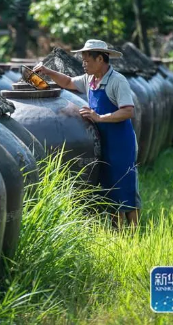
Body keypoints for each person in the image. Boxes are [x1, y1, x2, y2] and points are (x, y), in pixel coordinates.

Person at [34, 39, 141, 229]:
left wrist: (99, 117)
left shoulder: (117, 81)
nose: (83, 64)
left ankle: (136, 231)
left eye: (86, 60)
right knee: (110, 187)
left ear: (100, 59)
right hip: (103, 141)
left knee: (126, 186)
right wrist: (47, 72)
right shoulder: (90, 80)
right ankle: (118, 232)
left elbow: (128, 111)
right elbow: (67, 82)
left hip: (120, 143)